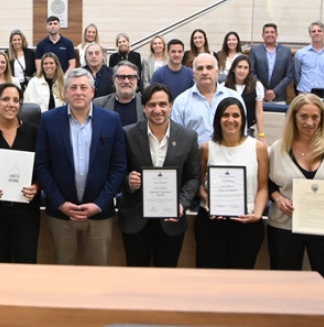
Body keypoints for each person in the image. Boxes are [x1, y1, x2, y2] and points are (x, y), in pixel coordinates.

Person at [268, 94, 324, 309]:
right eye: (303, 117)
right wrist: (278, 199)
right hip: (285, 226)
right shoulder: (278, 149)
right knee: (284, 288)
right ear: (293, 117)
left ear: (322, 119)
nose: (309, 123)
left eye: (315, 117)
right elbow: (268, 183)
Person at [34, 68, 127, 266]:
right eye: (73, 87)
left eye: (83, 87)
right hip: (61, 213)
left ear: (92, 91)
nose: (78, 92)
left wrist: (99, 204)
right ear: (65, 91)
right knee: (63, 269)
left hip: (100, 213)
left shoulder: (111, 120)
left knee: (98, 270)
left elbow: (118, 167)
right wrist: (60, 203)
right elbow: (42, 166)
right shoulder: (48, 120)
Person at [117, 84, 199, 267]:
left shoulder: (188, 137)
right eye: (152, 105)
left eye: (163, 104)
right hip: (135, 220)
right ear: (144, 108)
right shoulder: (127, 134)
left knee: (167, 277)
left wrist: (182, 203)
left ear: (171, 106)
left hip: (172, 219)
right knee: (136, 276)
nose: (158, 110)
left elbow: (193, 177)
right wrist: (128, 181)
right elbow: (117, 172)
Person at [195, 98, 268, 269]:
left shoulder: (258, 148)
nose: (230, 120)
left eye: (236, 115)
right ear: (218, 119)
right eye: (225, 115)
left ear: (243, 119)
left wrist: (257, 214)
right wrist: (208, 200)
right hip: (212, 222)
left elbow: (263, 186)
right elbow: (199, 186)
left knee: (240, 282)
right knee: (209, 280)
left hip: (246, 223)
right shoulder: (207, 148)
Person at [0, 83, 40, 263]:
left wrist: (36, 187)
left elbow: (43, 167)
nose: (11, 104)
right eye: (5, 99)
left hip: (26, 211)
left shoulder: (33, 132)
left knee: (26, 263)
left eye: (16, 100)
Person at [171, 53, 242, 146]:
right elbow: (176, 137)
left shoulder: (234, 97)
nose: (204, 72)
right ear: (194, 73)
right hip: (195, 158)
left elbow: (242, 132)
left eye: (209, 67)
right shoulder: (181, 102)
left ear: (218, 71)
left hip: (228, 157)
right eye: (200, 68)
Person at [293, 21, 324, 95]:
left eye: (319, 31)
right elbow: (297, 75)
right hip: (305, 93)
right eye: (313, 31)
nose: (316, 33)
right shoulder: (300, 53)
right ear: (310, 34)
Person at [248, 23, 294, 103]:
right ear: (262, 35)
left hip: (279, 96)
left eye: (272, 32)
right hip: (259, 95)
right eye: (267, 32)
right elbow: (251, 73)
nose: (270, 34)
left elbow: (289, 75)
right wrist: (264, 91)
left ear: (276, 35)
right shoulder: (255, 51)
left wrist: (275, 91)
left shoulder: (286, 51)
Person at [224, 55, 265, 140]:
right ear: (233, 69)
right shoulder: (224, 87)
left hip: (248, 131)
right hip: (228, 130)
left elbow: (259, 112)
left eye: (245, 68)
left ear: (249, 70)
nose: (242, 71)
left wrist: (261, 135)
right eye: (239, 67)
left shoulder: (257, 86)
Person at [93, 61, 144, 128]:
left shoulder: (146, 104)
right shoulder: (98, 105)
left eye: (131, 77)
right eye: (121, 77)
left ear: (137, 81)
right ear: (114, 80)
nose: (126, 81)